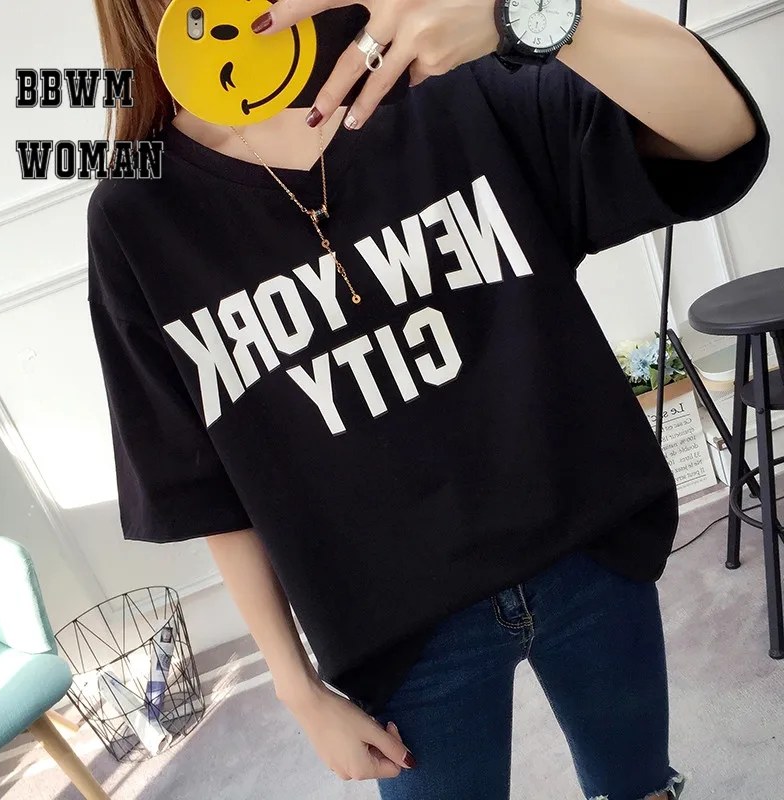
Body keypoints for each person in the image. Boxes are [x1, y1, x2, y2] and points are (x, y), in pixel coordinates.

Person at [86, 0, 768, 798]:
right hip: (399, 632)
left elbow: (720, 136)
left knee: (638, 786)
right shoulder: (136, 214)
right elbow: (204, 485)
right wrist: (296, 688)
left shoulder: (441, 62)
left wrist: (526, 9)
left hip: (589, 550)